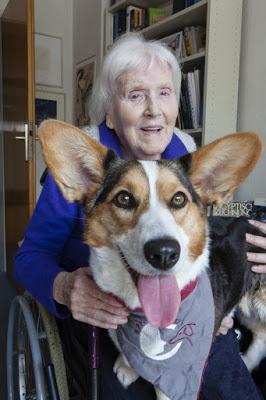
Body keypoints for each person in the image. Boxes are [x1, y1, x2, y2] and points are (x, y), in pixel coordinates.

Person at [14, 33, 266, 399]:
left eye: (164, 93)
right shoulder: (86, 166)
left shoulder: (181, 151)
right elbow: (28, 257)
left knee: (228, 382)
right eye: (135, 95)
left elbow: (198, 232)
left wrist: (222, 292)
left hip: (186, 307)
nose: (154, 109)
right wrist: (66, 289)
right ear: (110, 113)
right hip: (102, 311)